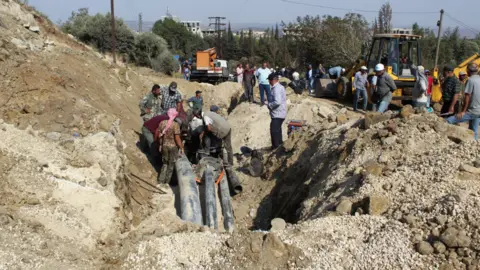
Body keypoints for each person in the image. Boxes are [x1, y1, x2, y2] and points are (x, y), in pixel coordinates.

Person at [446, 63, 480, 140]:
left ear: (468, 70)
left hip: (472, 111)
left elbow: (467, 96)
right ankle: (473, 145)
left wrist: (463, 111)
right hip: (478, 111)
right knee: (473, 130)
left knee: (449, 120)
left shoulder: (470, 80)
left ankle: (447, 138)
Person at [156, 108, 184, 184]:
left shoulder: (162, 123)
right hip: (173, 147)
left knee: (165, 163)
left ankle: (160, 180)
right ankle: (167, 182)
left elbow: (159, 135)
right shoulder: (175, 124)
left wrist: (160, 145)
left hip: (164, 146)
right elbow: (177, 138)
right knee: (171, 165)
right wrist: (181, 147)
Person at [267, 73, 287, 149]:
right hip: (279, 113)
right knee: (278, 131)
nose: (269, 82)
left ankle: (275, 148)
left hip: (278, 114)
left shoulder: (276, 88)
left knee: (274, 131)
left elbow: (277, 102)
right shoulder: (279, 87)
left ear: (273, 80)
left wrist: (270, 105)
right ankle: (279, 146)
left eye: (269, 80)